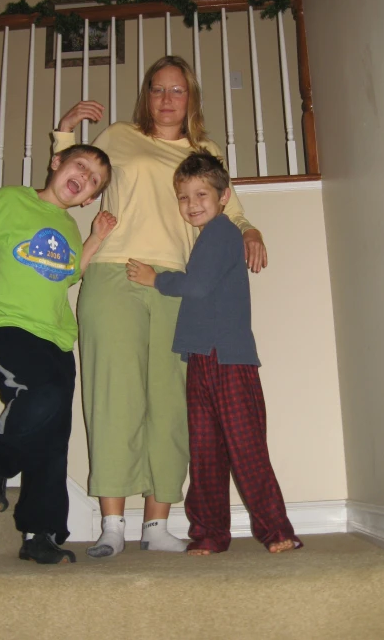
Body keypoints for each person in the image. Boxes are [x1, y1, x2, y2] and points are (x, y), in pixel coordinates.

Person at [53, 55, 267, 558]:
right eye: (157, 89)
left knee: (171, 405)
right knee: (113, 397)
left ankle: (157, 523)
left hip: (177, 282)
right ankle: (110, 524)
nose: (167, 98)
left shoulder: (204, 150)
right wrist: (64, 134)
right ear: (146, 96)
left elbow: (230, 210)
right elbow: (74, 180)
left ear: (190, 97)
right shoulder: (118, 136)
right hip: (113, 273)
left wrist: (252, 230)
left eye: (177, 90)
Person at [126, 151, 302, 555]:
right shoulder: (208, 237)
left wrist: (156, 279)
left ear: (223, 197)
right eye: (184, 197)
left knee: (246, 447)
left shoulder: (222, 231)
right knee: (205, 451)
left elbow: (198, 286)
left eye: (201, 194)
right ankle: (208, 534)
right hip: (202, 357)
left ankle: (276, 530)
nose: (192, 204)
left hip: (230, 357)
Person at [0, 144, 116, 564]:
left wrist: (94, 239)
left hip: (56, 338)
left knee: (52, 438)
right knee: (42, 396)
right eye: (80, 166)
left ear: (89, 198)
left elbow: (68, 274)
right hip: (2, 324)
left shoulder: (69, 226)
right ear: (57, 163)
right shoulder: (13, 199)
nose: (84, 177)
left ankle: (41, 532)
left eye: (93, 181)